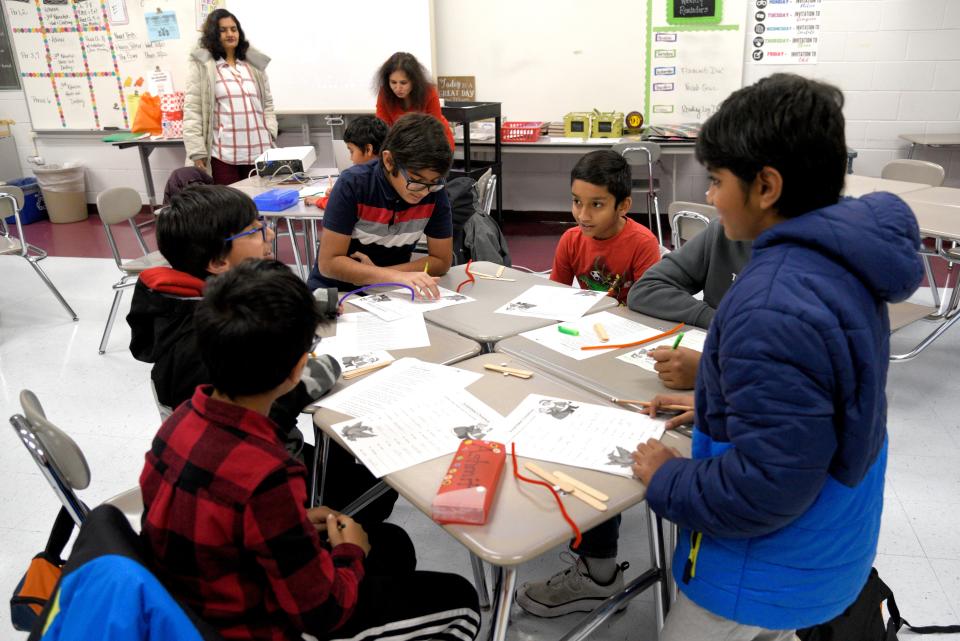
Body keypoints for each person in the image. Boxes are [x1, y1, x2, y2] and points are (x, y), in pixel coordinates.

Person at [631, 73, 923, 640]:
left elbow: (764, 488)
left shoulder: (773, 303)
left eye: (715, 181)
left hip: (760, 569)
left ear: (765, 185)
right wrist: (722, 407)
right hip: (825, 546)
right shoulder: (840, 262)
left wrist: (667, 478)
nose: (710, 197)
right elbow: (818, 404)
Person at [140, 259, 481, 641]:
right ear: (297, 369)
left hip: (194, 601)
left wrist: (296, 521)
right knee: (460, 601)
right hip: (255, 627)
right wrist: (348, 554)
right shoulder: (267, 474)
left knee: (391, 544)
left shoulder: (179, 422)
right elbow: (322, 611)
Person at [126, 185, 395, 524]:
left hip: (243, 458)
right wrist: (322, 366)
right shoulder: (211, 347)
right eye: (255, 229)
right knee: (381, 492)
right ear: (218, 261)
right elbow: (282, 399)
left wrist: (318, 306)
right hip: (265, 471)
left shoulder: (192, 305)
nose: (269, 233)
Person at [307, 113, 454, 299]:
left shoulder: (433, 190)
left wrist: (382, 276)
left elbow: (441, 261)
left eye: (433, 182)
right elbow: (329, 263)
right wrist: (393, 276)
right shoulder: (353, 184)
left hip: (387, 292)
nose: (424, 191)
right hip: (335, 292)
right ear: (388, 160)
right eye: (415, 181)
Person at [627, 218, 752, 389]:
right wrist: (715, 320)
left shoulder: (795, 257)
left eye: (720, 189)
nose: (710, 198)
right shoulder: (723, 229)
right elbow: (645, 289)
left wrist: (709, 371)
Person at [549, 150, 661, 304]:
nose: (583, 216)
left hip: (629, 323)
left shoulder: (643, 244)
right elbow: (556, 295)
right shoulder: (570, 240)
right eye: (577, 201)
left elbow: (649, 305)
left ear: (623, 206)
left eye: (596, 204)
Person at [184, 9, 276, 185]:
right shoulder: (204, 67)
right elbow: (192, 111)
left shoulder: (253, 65)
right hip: (224, 156)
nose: (230, 34)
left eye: (233, 29)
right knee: (230, 209)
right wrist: (197, 152)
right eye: (223, 30)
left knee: (260, 206)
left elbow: (268, 104)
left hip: (259, 151)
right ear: (213, 34)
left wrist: (270, 132)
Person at [374, 51, 455, 149]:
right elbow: (382, 128)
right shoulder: (384, 93)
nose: (398, 88)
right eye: (393, 82)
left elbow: (434, 128)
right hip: (401, 145)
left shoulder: (429, 92)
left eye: (403, 83)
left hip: (434, 142)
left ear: (414, 80)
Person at [305, 116, 388, 208]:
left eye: (352, 151)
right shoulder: (389, 174)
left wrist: (321, 200)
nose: (351, 158)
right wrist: (340, 192)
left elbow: (339, 206)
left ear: (368, 149)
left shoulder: (362, 179)